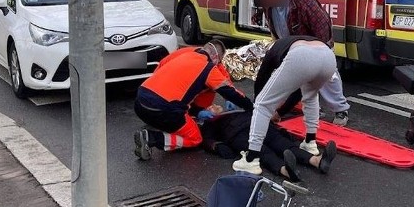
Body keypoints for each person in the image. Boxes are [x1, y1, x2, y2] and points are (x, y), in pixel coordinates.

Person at [232, 36, 337, 175]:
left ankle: (251, 159)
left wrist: (261, 108)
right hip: (328, 56)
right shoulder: (292, 41)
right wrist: (280, 112)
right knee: (310, 95)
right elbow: (298, 94)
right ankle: (310, 143)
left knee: (262, 104)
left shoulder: (273, 51)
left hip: (302, 56)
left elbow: (261, 79)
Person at [253, 0, 350, 125]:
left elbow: (321, 21)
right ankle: (314, 111)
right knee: (301, 78)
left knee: (328, 76)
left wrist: (323, 47)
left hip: (313, 40)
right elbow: (271, 21)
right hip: (291, 42)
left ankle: (340, 110)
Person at [133, 40, 254, 157]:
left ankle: (168, 125)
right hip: (163, 109)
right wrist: (250, 107)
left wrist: (196, 111)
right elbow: (229, 91)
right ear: (216, 58)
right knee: (195, 138)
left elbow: (162, 66)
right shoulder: (208, 68)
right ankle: (152, 138)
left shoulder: (185, 52)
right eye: (218, 62)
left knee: (178, 113)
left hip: (140, 101)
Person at [200, 108, 336, 182]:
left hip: (257, 125)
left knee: (283, 143)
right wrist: (216, 146)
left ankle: (316, 161)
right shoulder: (212, 122)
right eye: (211, 107)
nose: (215, 106)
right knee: (263, 152)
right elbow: (206, 139)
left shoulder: (239, 107)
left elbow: (259, 110)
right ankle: (286, 171)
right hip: (237, 134)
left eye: (216, 105)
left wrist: (279, 129)